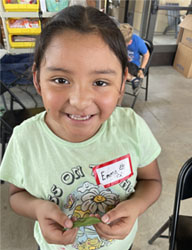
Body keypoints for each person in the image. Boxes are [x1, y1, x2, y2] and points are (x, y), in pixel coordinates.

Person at [0, 6, 162, 250]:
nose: (79, 101)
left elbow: (152, 181)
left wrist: (136, 205)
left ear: (121, 85)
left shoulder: (132, 128)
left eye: (100, 82)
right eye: (61, 80)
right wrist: (38, 208)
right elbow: (16, 195)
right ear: (37, 80)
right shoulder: (25, 139)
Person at [119, 23, 150, 89]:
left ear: (130, 42)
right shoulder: (118, 37)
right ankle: (133, 79)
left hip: (132, 64)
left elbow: (146, 55)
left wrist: (141, 69)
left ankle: (131, 78)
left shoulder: (138, 41)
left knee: (119, 72)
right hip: (121, 61)